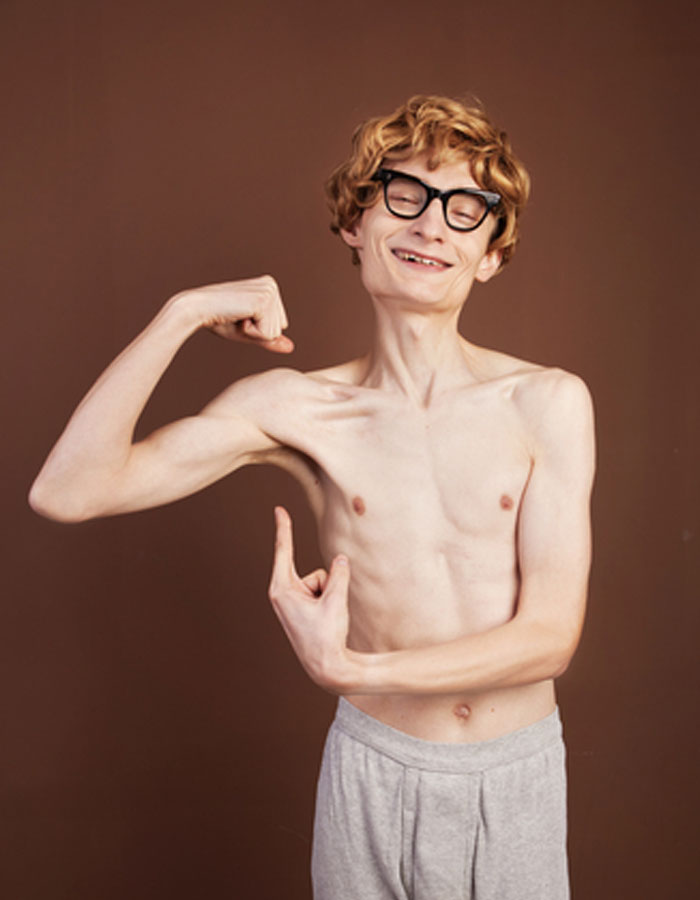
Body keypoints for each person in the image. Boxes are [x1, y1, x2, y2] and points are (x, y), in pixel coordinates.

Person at [30, 95, 595, 899]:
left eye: (465, 208)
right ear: (354, 228)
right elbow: (67, 490)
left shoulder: (547, 402)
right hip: (371, 770)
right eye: (405, 194)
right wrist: (180, 314)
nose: (432, 226)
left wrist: (351, 665)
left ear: (492, 254)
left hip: (513, 775)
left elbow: (551, 637)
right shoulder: (296, 410)